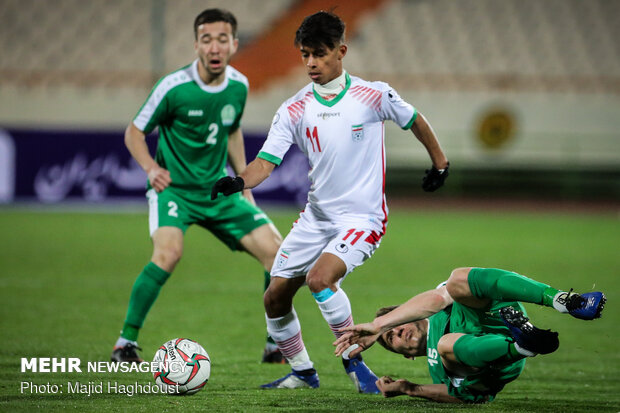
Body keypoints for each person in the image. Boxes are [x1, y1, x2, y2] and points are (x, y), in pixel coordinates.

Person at [211, 11, 449, 393]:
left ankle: (356, 367)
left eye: (318, 54)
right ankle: (303, 373)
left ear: (341, 51)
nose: (310, 63)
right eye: (305, 54)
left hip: (363, 219)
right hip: (316, 218)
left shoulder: (374, 95)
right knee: (274, 298)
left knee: (320, 279)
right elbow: (265, 163)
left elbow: (416, 120)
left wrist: (440, 164)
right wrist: (238, 181)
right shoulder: (293, 108)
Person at [111, 8, 285, 364]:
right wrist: (150, 167)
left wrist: (242, 182)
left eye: (222, 39)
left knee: (278, 252)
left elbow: (232, 129)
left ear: (234, 44)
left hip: (217, 191)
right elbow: (134, 131)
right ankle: (124, 343)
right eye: (207, 40)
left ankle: (275, 342)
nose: (215, 47)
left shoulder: (239, 85)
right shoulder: (173, 87)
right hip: (175, 192)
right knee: (168, 254)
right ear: (196, 46)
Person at [333, 267, 606, 403]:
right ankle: (522, 346)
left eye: (396, 325)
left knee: (456, 280)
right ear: (405, 356)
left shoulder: (436, 310)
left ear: (413, 317)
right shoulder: (436, 369)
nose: (397, 332)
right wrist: (408, 388)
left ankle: (562, 300)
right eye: (391, 338)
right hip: (496, 359)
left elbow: (438, 297)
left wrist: (379, 325)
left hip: (501, 317)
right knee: (445, 344)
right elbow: (465, 395)